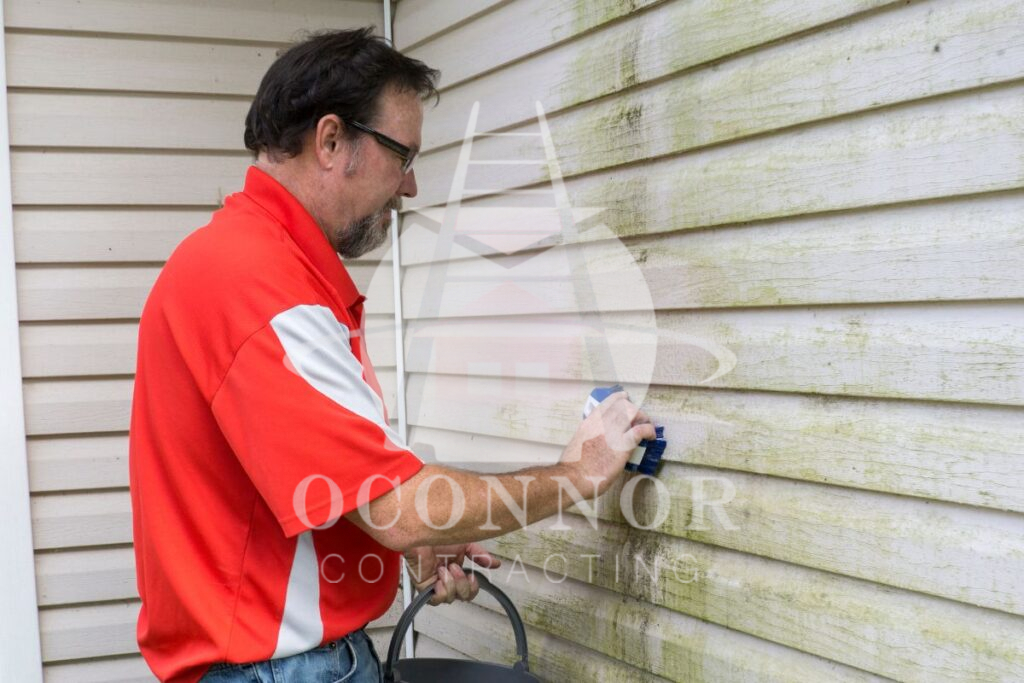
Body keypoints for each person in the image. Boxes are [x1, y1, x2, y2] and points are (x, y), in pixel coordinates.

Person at [128, 28, 655, 683]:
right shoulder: (258, 286)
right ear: (330, 141)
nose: (409, 187)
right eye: (402, 155)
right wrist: (577, 472)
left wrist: (405, 543)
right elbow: (396, 507)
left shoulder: (251, 266)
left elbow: (300, 492)